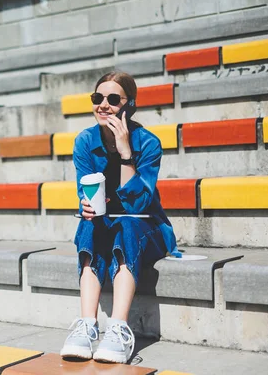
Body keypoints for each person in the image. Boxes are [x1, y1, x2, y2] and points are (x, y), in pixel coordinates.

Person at [59, 71, 181, 364]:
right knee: (88, 224)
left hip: (146, 228)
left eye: (113, 99)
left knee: (126, 222)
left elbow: (137, 204)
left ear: (130, 105)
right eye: (97, 98)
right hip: (105, 226)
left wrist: (126, 155)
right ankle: (87, 325)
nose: (103, 105)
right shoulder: (85, 141)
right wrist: (86, 205)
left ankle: (119, 328)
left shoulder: (148, 143)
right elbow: (84, 191)